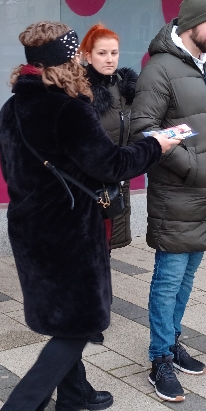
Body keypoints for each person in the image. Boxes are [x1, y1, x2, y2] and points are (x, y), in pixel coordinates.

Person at [0, 21, 178, 411]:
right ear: (64, 63)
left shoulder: (12, 107)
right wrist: (157, 145)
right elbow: (112, 164)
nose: (80, 63)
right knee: (78, 325)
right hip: (68, 232)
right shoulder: (67, 109)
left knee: (65, 317)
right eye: (75, 57)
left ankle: (74, 393)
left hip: (29, 228)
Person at [130, 0, 206, 402]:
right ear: (191, 23)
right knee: (169, 277)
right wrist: (190, 165)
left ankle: (172, 342)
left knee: (188, 275)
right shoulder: (159, 69)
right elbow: (143, 127)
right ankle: (159, 357)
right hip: (177, 192)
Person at [80, 23, 139, 249]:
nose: (109, 59)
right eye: (102, 53)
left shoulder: (125, 88)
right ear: (88, 56)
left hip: (116, 184)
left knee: (106, 249)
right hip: (87, 185)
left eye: (114, 53)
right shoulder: (79, 90)